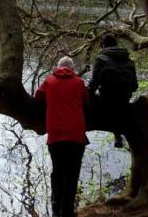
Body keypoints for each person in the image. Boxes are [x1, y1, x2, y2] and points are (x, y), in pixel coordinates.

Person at [35, 56, 89, 217]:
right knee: (72, 174)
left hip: (56, 136)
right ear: (72, 69)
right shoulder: (79, 82)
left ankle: (55, 210)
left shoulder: (49, 81)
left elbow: (37, 97)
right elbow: (88, 100)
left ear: (58, 68)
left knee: (57, 173)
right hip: (76, 136)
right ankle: (67, 211)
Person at [88, 34, 138, 148]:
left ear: (103, 46)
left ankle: (115, 132)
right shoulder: (129, 60)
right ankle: (118, 134)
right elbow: (135, 86)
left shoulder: (101, 59)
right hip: (124, 100)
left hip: (106, 100)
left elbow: (93, 85)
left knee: (92, 95)